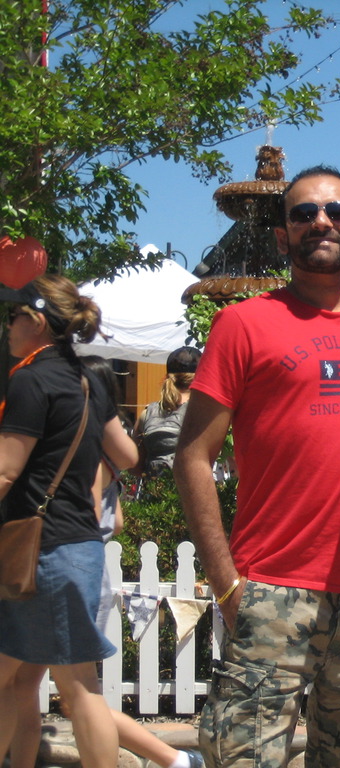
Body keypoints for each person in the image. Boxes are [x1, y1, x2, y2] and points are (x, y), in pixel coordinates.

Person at [175, 165, 340, 768]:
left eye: (337, 211)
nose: (321, 222)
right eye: (303, 213)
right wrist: (226, 582)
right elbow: (193, 456)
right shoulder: (242, 324)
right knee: (241, 757)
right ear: (282, 237)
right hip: (270, 587)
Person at [7, 355, 203, 768]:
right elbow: (116, 519)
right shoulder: (105, 455)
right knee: (37, 687)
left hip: (66, 565)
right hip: (87, 566)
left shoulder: (83, 455)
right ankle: (175, 759)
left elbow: (94, 513)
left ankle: (175, 759)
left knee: (71, 692)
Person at [0, 275, 138, 768]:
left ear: (36, 321)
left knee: (76, 687)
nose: (7, 326)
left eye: (12, 316)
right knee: (66, 683)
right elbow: (127, 454)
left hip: (38, 553)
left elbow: (5, 470)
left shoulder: (29, 380)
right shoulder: (87, 379)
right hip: (79, 547)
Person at [134, 346, 201, 476]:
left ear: (167, 377)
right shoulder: (204, 413)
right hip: (194, 486)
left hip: (154, 487)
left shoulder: (147, 413)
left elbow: (134, 468)